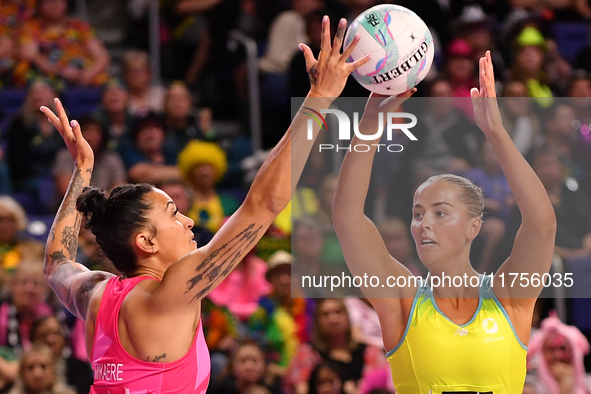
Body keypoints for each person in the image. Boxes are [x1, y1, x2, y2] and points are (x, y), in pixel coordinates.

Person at [39, 15, 369, 393]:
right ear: (146, 242)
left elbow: (57, 263)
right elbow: (262, 204)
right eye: (173, 213)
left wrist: (82, 171)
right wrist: (320, 98)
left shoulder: (97, 295)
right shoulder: (171, 292)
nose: (189, 221)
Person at [332, 51, 557, 392]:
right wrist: (369, 126)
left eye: (440, 213)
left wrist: (496, 134)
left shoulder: (508, 296)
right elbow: (348, 218)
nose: (424, 223)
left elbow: (541, 225)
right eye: (417, 214)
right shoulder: (403, 299)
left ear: (474, 227)